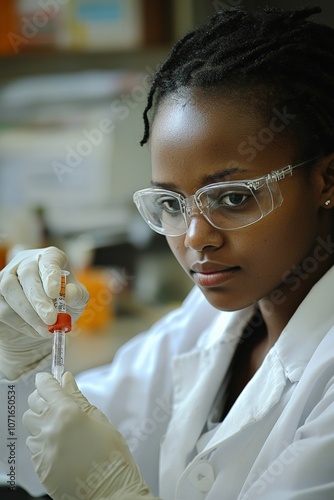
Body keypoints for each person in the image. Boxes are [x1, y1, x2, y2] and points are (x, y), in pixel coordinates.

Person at [1, 5, 334, 499]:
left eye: (234, 197)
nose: (196, 237)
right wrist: (19, 372)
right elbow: (32, 459)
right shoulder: (207, 323)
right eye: (172, 203)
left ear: (326, 180)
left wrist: (113, 494)